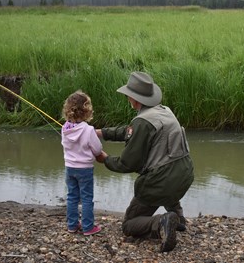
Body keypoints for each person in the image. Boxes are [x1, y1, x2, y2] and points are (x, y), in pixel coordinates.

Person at [96, 71, 194, 253]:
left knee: (129, 225)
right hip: (185, 175)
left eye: (128, 96)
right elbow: (130, 131)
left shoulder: (142, 121)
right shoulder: (165, 111)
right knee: (168, 177)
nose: (127, 98)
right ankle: (178, 219)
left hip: (161, 183)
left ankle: (161, 223)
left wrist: (105, 159)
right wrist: (101, 133)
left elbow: (127, 164)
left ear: (134, 99)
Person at [61, 90, 104, 236]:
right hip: (84, 169)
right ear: (86, 111)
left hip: (69, 168)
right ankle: (87, 227)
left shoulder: (64, 128)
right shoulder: (88, 129)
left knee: (72, 197)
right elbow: (97, 149)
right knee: (86, 198)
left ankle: (72, 225)